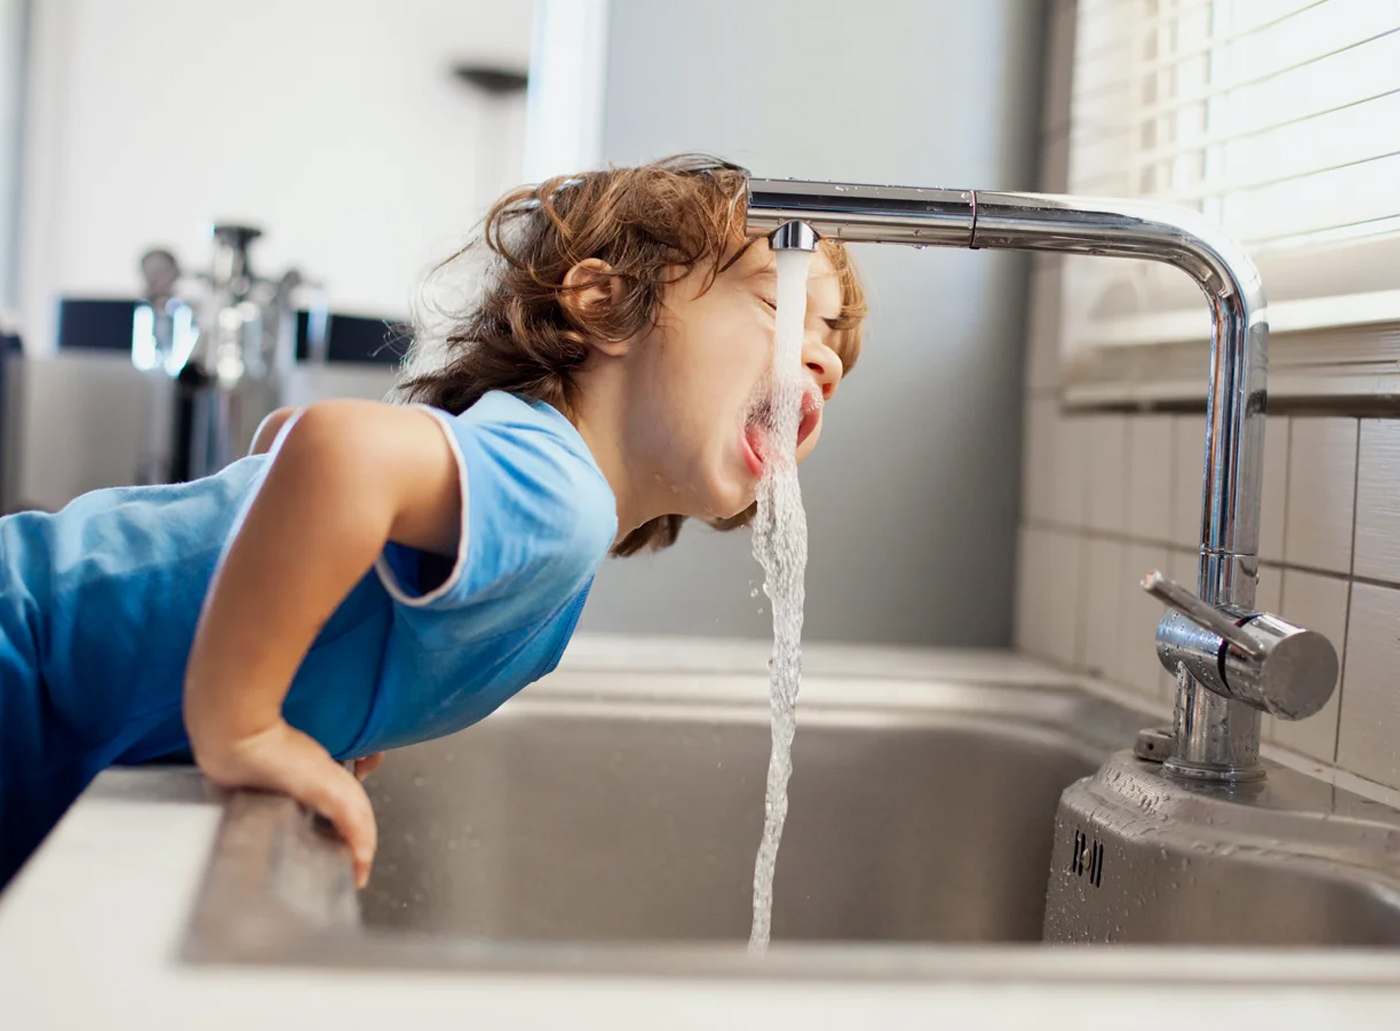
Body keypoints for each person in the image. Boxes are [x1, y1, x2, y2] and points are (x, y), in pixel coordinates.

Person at [0, 155, 866, 890]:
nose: (821, 355)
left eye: (832, 341)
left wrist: (317, 695)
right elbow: (333, 450)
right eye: (778, 302)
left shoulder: (534, 481)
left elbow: (283, 444)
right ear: (605, 304)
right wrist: (248, 722)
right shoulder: (558, 493)